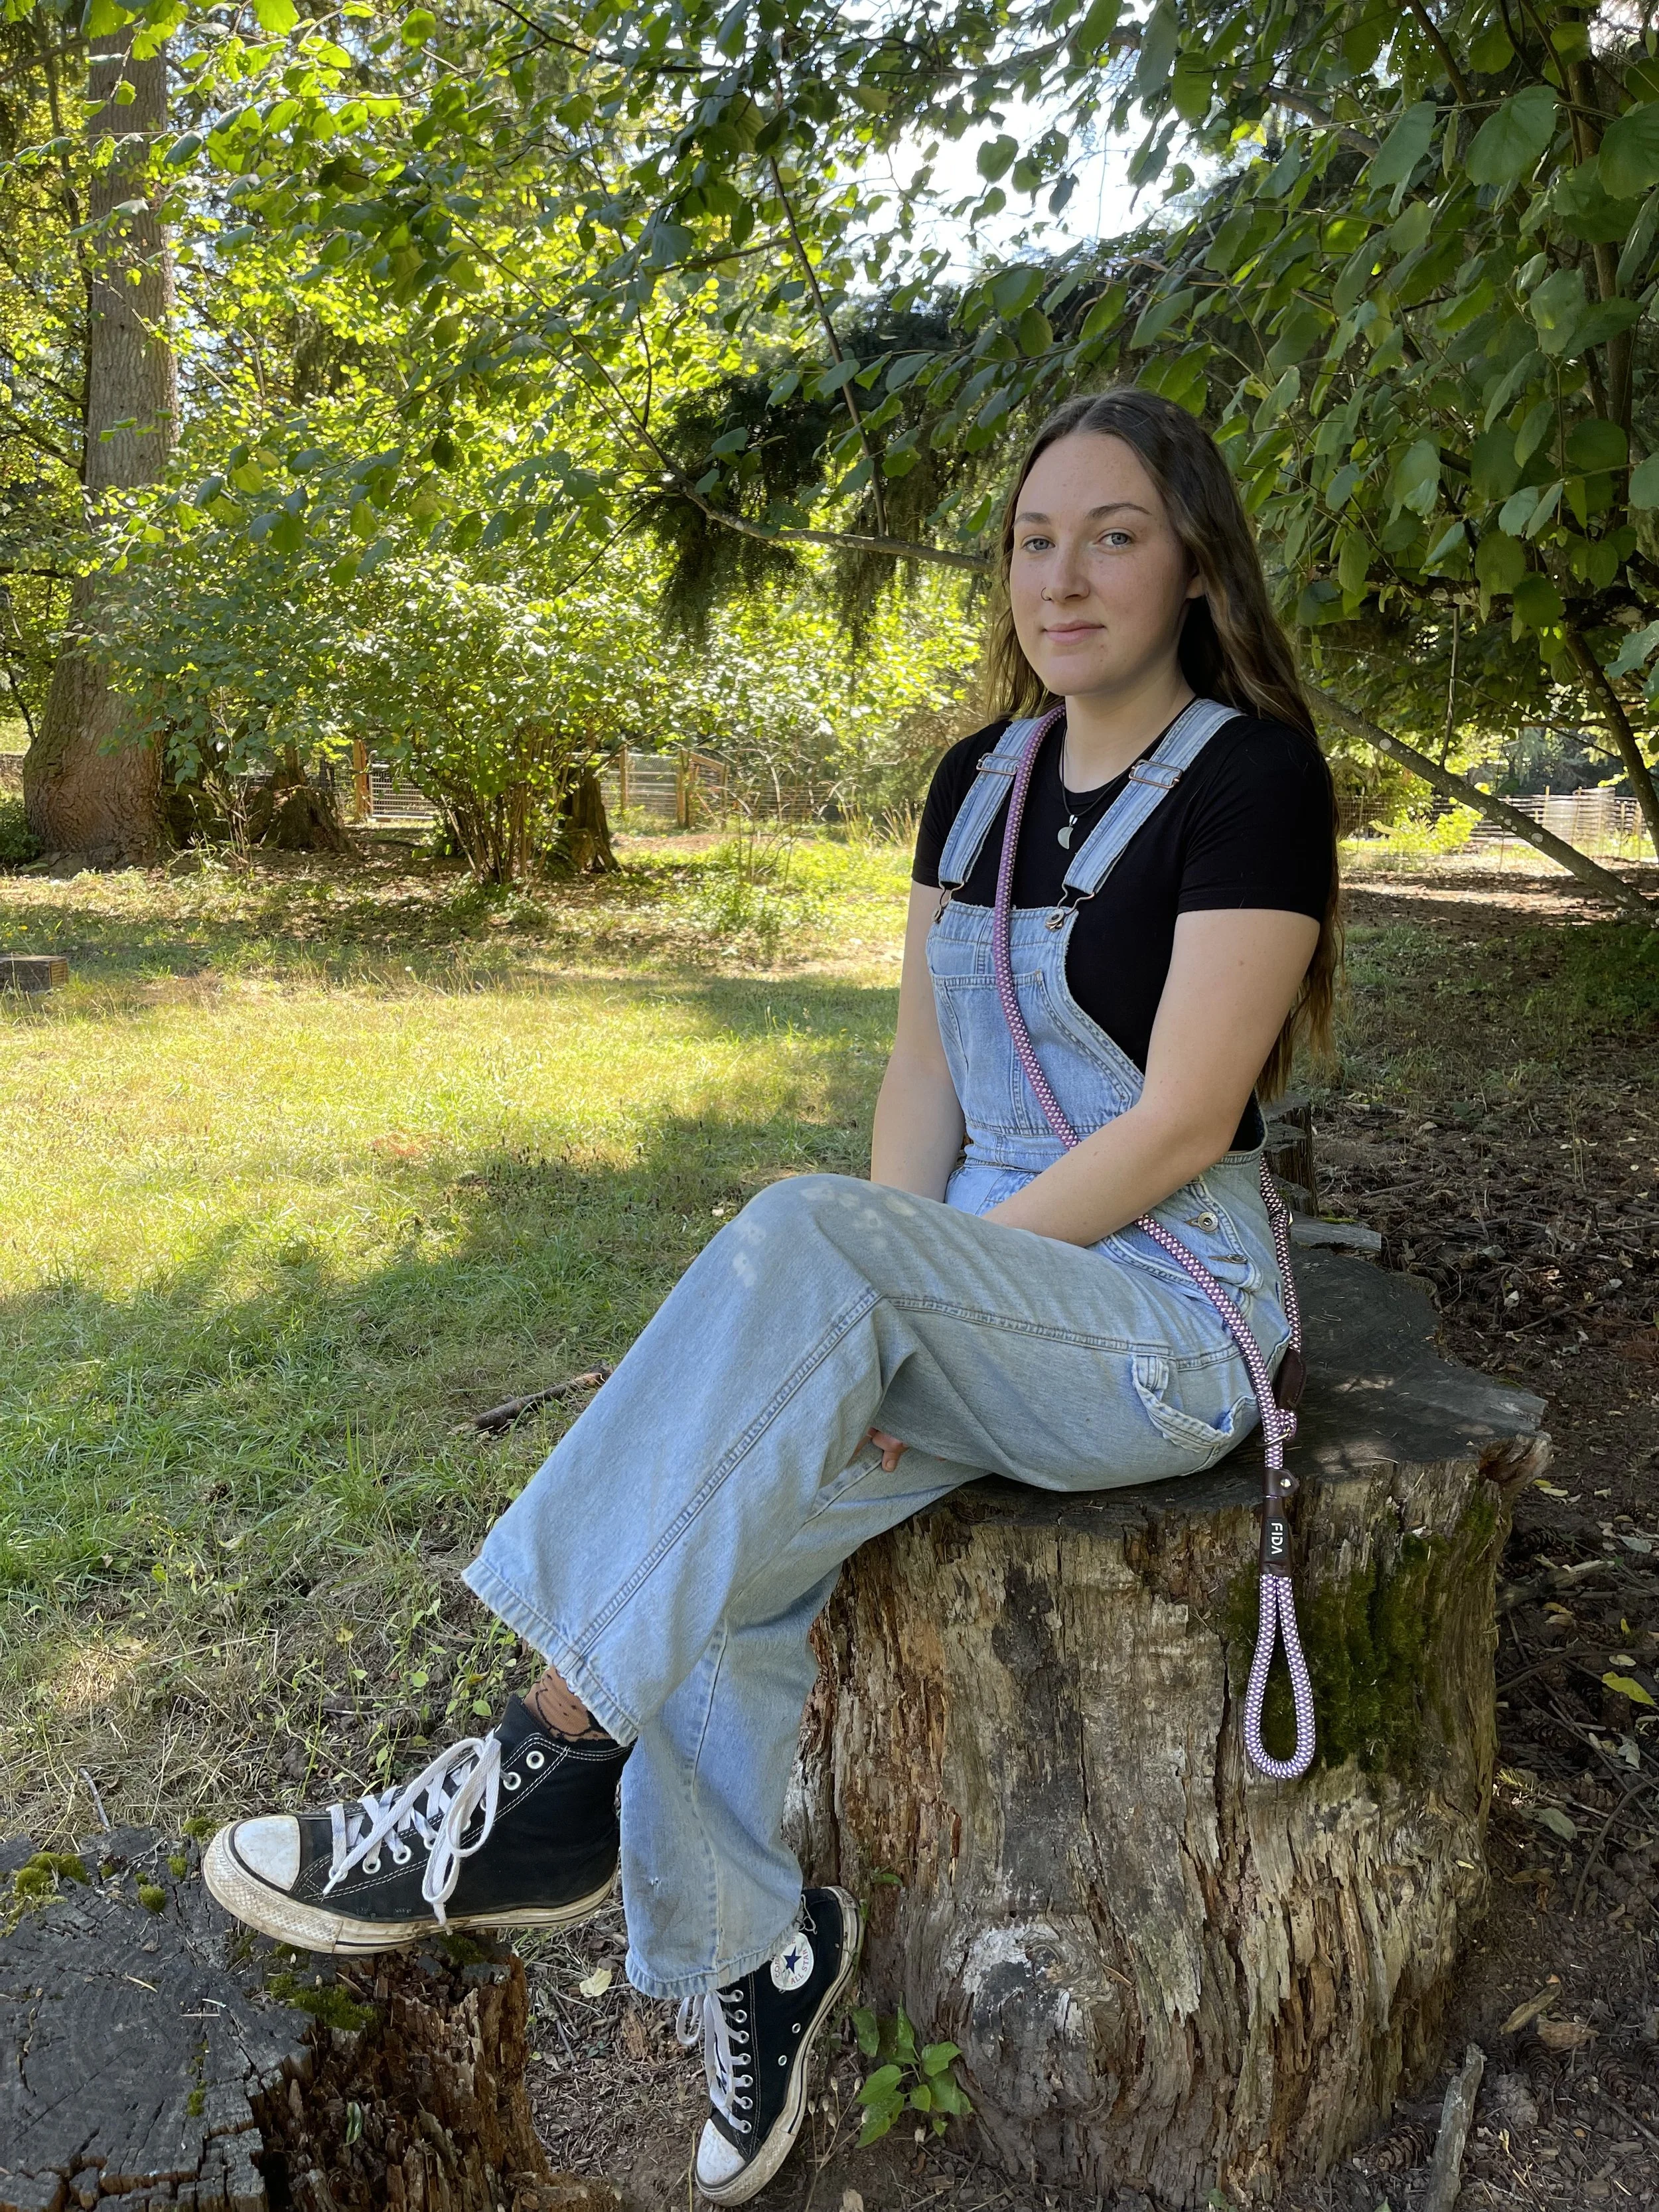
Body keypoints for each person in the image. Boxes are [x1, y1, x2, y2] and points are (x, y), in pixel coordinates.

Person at [204, 388, 1338, 2206]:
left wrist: (883, 1290)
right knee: (730, 1536)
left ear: (1190, 556)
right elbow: (922, 1079)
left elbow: (1182, 1118)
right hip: (959, 1292)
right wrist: (872, 1319)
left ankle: (529, 1768)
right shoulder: (971, 779)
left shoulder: (1252, 779)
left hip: (1153, 1327)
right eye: (1032, 539)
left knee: (811, 1253)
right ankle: (760, 1953)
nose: (1064, 573)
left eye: (1111, 532)